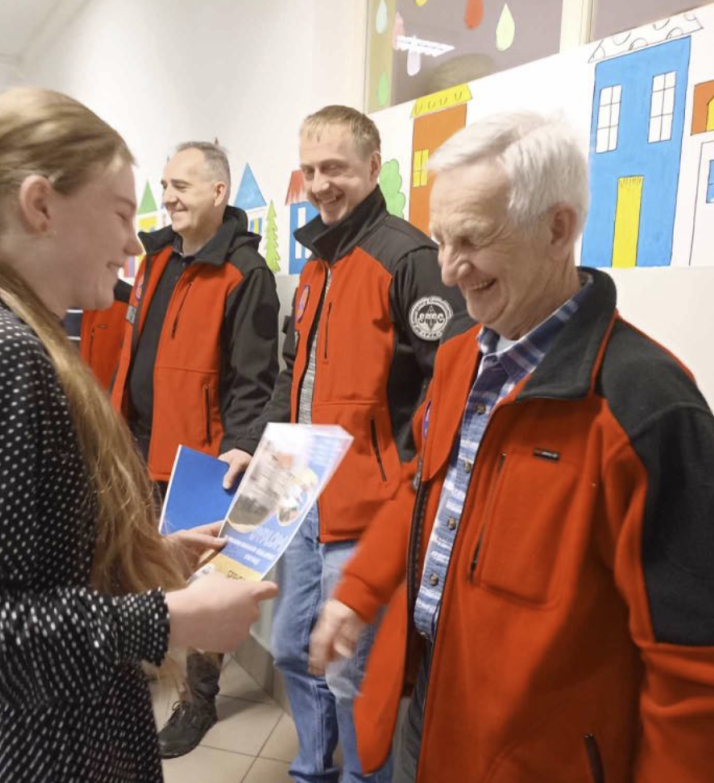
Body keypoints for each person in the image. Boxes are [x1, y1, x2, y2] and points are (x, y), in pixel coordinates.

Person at [309, 111, 714, 783]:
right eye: (441, 240)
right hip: (434, 718)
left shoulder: (645, 405)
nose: (449, 270)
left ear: (558, 229)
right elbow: (423, 491)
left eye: (472, 239)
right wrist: (358, 591)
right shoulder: (458, 360)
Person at [0, 87, 277, 783]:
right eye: (122, 214)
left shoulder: (11, 341)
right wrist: (164, 619)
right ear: (41, 205)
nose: (133, 242)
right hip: (28, 756)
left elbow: (27, 567)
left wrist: (140, 562)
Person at [258, 105, 466, 783]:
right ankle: (312, 768)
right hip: (297, 491)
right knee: (292, 648)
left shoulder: (408, 258)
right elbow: (293, 371)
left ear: (373, 167)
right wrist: (260, 449)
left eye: (335, 168)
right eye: (310, 170)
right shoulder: (316, 263)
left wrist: (408, 476)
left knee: (354, 675)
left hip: (368, 506)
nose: (320, 184)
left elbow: (448, 385)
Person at [107, 141, 279, 757]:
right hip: (135, 445)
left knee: (203, 579)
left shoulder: (244, 273)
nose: (169, 197)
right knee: (134, 564)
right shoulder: (156, 257)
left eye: (180, 186)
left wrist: (239, 446)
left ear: (218, 192)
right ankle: (136, 671)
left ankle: (198, 699)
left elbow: (255, 379)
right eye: (165, 185)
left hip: (199, 458)